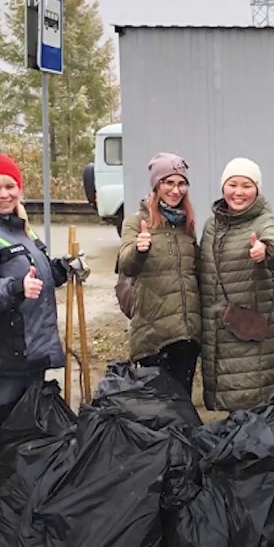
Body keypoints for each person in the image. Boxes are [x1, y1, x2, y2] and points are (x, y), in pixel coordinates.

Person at [0, 153, 87, 512]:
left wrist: (61, 268)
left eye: (9, 185)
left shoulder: (18, 229)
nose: (3, 193)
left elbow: (36, 279)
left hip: (28, 345)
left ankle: (15, 492)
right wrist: (11, 289)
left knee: (24, 422)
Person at [198, 157, 274, 411]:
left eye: (246, 186)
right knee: (224, 402)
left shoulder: (262, 219)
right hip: (217, 328)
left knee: (251, 401)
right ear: (223, 187)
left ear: (257, 189)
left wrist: (264, 249)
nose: (238, 192)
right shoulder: (212, 225)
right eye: (232, 184)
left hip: (248, 330)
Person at [117, 153, 202, 396]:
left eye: (181, 183)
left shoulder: (187, 225)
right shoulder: (136, 222)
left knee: (182, 404)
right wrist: (139, 250)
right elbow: (126, 266)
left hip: (186, 334)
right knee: (157, 408)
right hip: (154, 335)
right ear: (156, 185)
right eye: (169, 183)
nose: (176, 190)